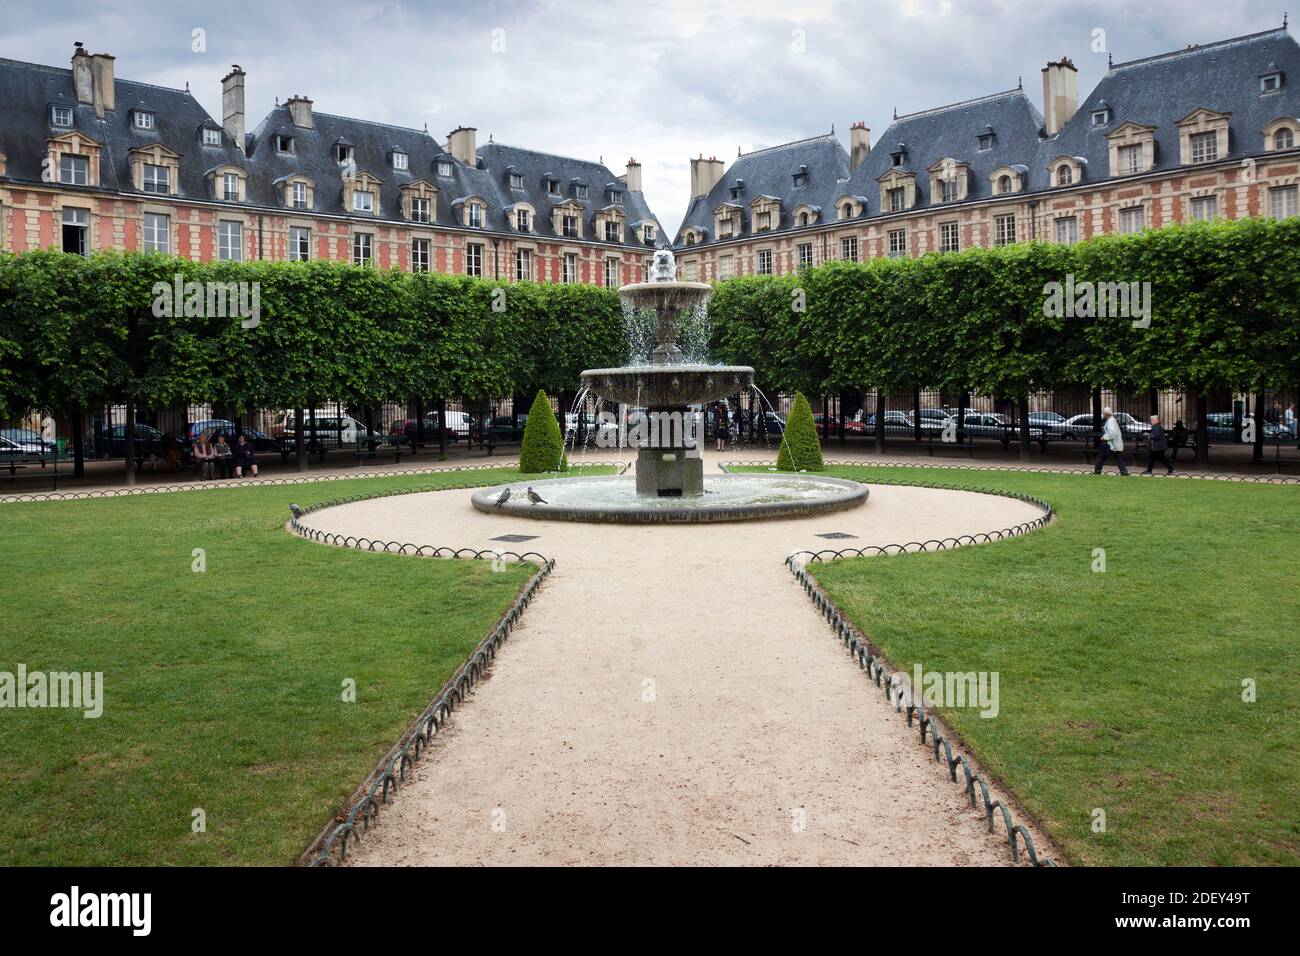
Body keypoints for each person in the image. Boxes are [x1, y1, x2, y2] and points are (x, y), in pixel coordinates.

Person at [1093, 407, 1129, 475]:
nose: (1102, 414)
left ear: (1106, 414)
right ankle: (1124, 471)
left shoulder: (1110, 421)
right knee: (1117, 457)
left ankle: (1097, 471)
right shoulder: (1110, 420)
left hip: (1110, 442)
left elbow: (1111, 432)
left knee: (1102, 456)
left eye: (1103, 413)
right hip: (1111, 443)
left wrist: (1103, 437)